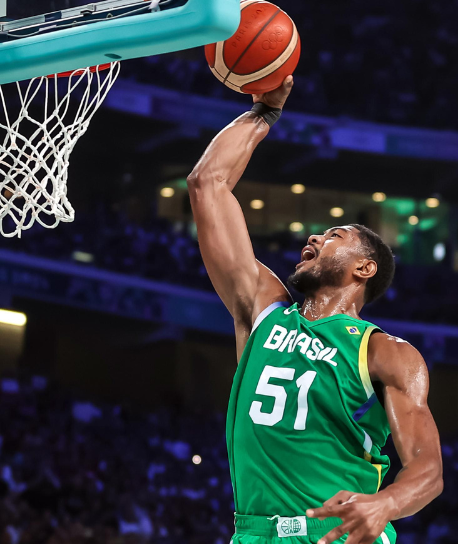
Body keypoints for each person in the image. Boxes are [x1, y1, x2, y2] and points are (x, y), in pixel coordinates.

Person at [187, 76, 443, 544]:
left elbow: (428, 469)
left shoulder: (386, 353)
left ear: (364, 268)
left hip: (339, 536)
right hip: (254, 535)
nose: (314, 238)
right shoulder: (263, 310)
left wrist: (387, 502)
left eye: (334, 236)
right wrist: (264, 113)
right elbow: (208, 183)